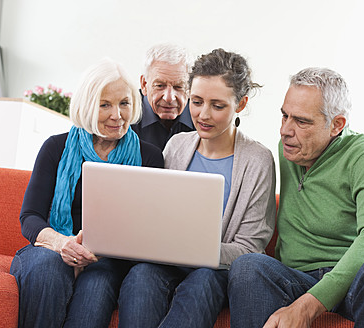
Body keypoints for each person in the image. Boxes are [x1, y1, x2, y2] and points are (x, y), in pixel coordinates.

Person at [228, 67, 364, 328]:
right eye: (284, 116)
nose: (285, 130)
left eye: (301, 121)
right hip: (297, 278)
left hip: (354, 278)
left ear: (337, 125)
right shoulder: (289, 149)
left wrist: (309, 305)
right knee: (247, 266)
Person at [118, 48, 277, 328]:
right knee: (141, 275)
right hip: (168, 262)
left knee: (203, 280)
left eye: (217, 105)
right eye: (197, 101)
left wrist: (196, 251)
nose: (203, 114)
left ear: (240, 105)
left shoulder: (258, 160)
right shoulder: (176, 146)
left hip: (217, 271)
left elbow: (250, 248)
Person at [10, 58, 164, 328]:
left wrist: (93, 254)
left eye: (124, 103)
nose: (117, 115)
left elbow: (148, 230)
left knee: (98, 283)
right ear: (87, 106)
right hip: (51, 248)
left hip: (108, 260)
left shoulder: (150, 157)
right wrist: (63, 244)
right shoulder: (54, 148)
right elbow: (30, 217)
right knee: (49, 268)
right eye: (105, 105)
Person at [131, 43, 195, 150]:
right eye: (160, 86)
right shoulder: (124, 115)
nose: (169, 98)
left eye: (178, 87)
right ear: (144, 84)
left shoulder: (202, 117)